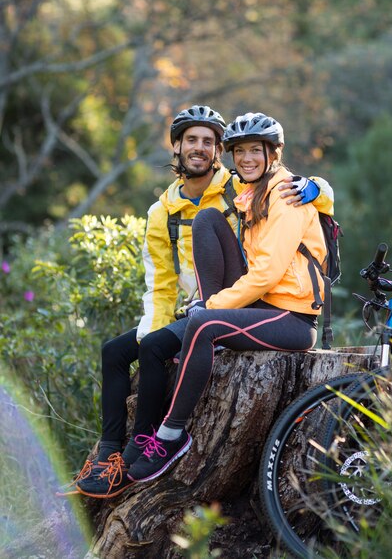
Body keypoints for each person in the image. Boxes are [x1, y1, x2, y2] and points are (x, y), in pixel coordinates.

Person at [72, 112, 329, 499]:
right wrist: (164, 325)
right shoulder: (234, 194)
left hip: (289, 314)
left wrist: (318, 186)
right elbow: (160, 281)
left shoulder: (277, 191)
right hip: (252, 302)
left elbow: (270, 269)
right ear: (176, 146)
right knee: (149, 339)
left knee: (203, 326)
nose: (244, 159)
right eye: (239, 151)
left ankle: (171, 434)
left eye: (253, 151)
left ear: (271, 153)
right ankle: (117, 451)